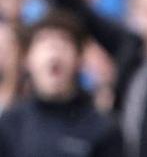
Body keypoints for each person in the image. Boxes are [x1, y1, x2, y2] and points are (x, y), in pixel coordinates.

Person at [0, 10, 124, 157]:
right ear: (27, 58)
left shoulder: (103, 128)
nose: (54, 53)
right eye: (45, 44)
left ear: (79, 59)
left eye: (63, 44)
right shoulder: (10, 123)